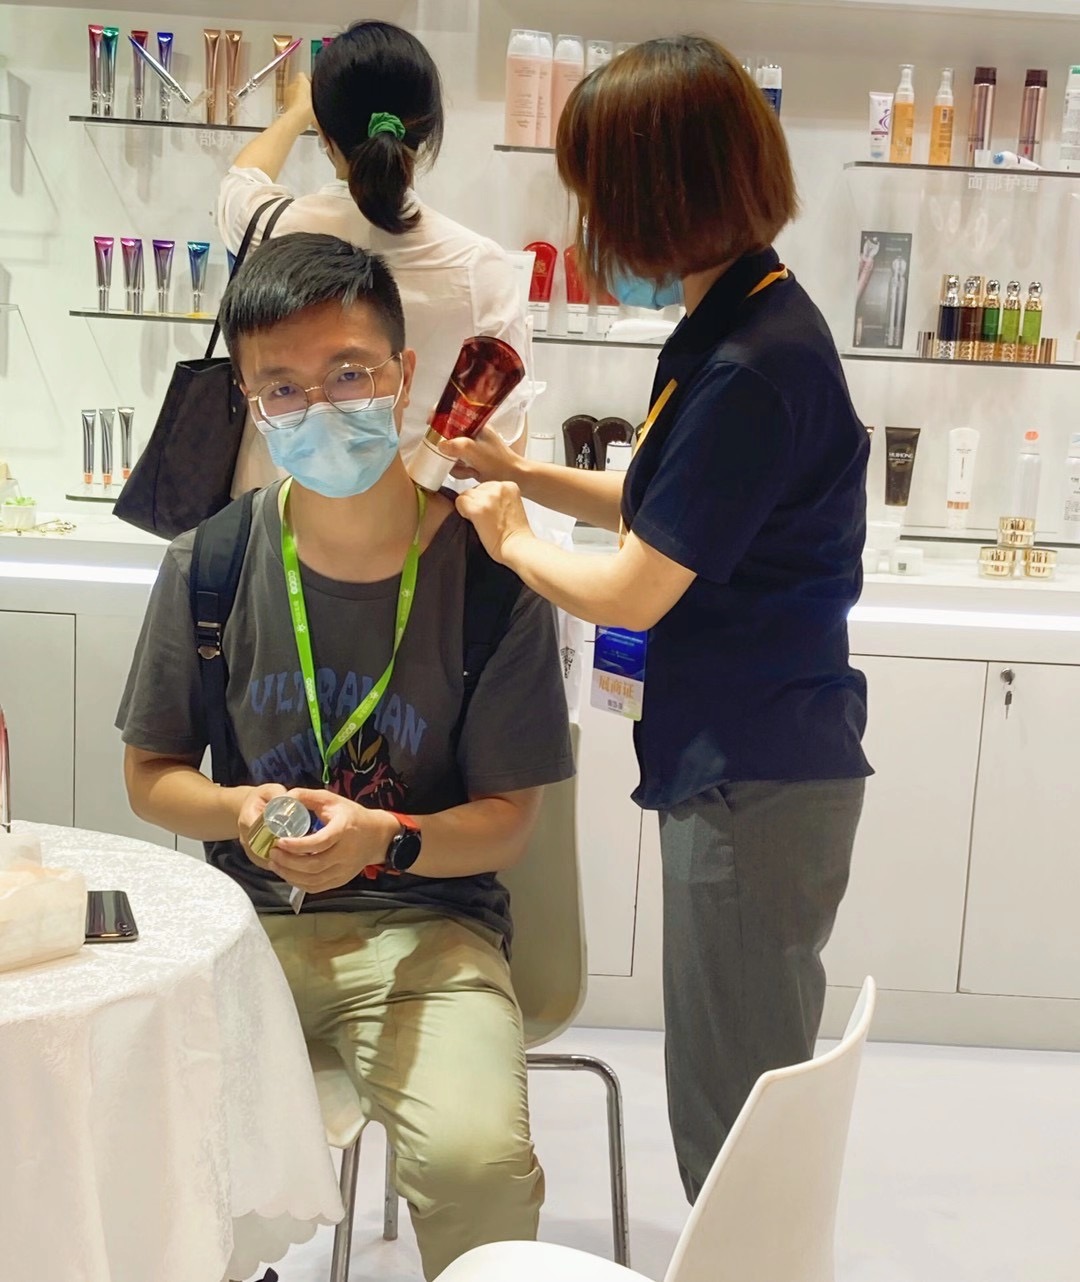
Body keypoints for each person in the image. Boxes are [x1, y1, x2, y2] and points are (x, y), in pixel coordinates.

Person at [448, 35, 872, 1203]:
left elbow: (636, 586)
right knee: (740, 1087)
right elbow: (661, 504)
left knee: (734, 1120)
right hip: (756, 759)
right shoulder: (743, 316)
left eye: (598, 192)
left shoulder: (750, 365)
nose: (589, 220)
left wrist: (511, 538)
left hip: (756, 781)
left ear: (656, 194)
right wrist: (523, 475)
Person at [115, 232, 573, 1279]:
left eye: (350, 373)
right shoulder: (210, 564)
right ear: (250, 401)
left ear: (404, 375)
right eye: (283, 386)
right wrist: (239, 812)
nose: (319, 407)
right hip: (244, 934)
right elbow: (151, 775)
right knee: (157, 1160)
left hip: (428, 938)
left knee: (476, 1167)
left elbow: (508, 820)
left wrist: (386, 839)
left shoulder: (491, 578)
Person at [218, 19, 527, 495]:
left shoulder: (267, 227)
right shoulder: (478, 266)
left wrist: (297, 112)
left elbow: (241, 179)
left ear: (325, 133)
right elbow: (503, 438)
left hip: (282, 511)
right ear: (428, 131)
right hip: (424, 519)